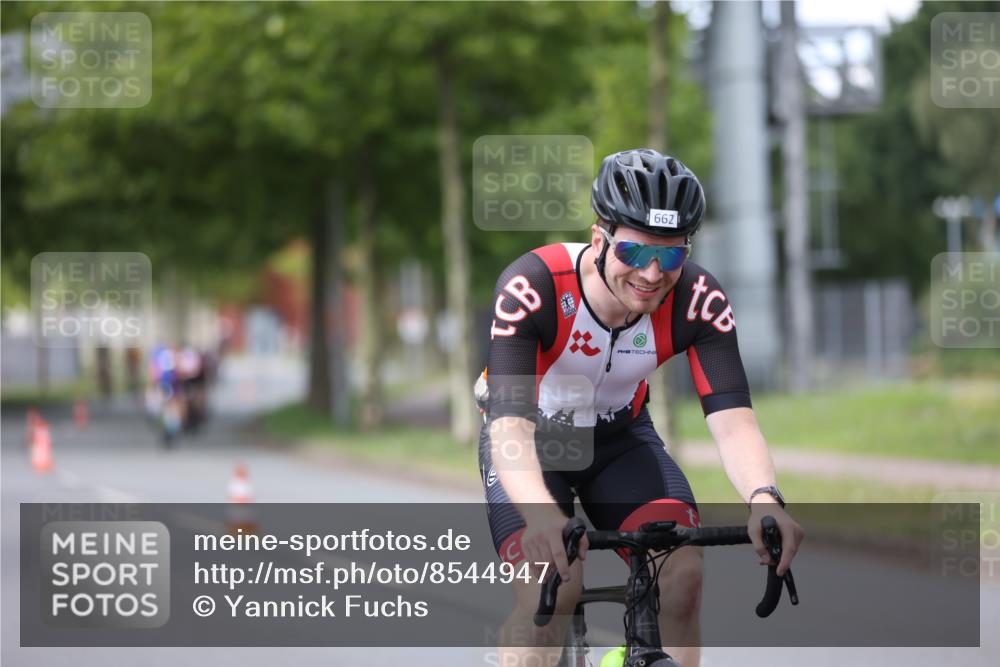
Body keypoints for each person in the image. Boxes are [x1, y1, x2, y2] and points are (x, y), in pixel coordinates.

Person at [476, 148, 804, 667]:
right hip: (532, 444)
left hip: (621, 440)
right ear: (599, 239)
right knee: (552, 586)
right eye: (634, 253)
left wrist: (765, 497)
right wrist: (542, 517)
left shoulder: (698, 299)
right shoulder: (533, 288)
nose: (652, 273)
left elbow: (735, 422)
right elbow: (509, 425)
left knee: (682, 574)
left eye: (671, 256)